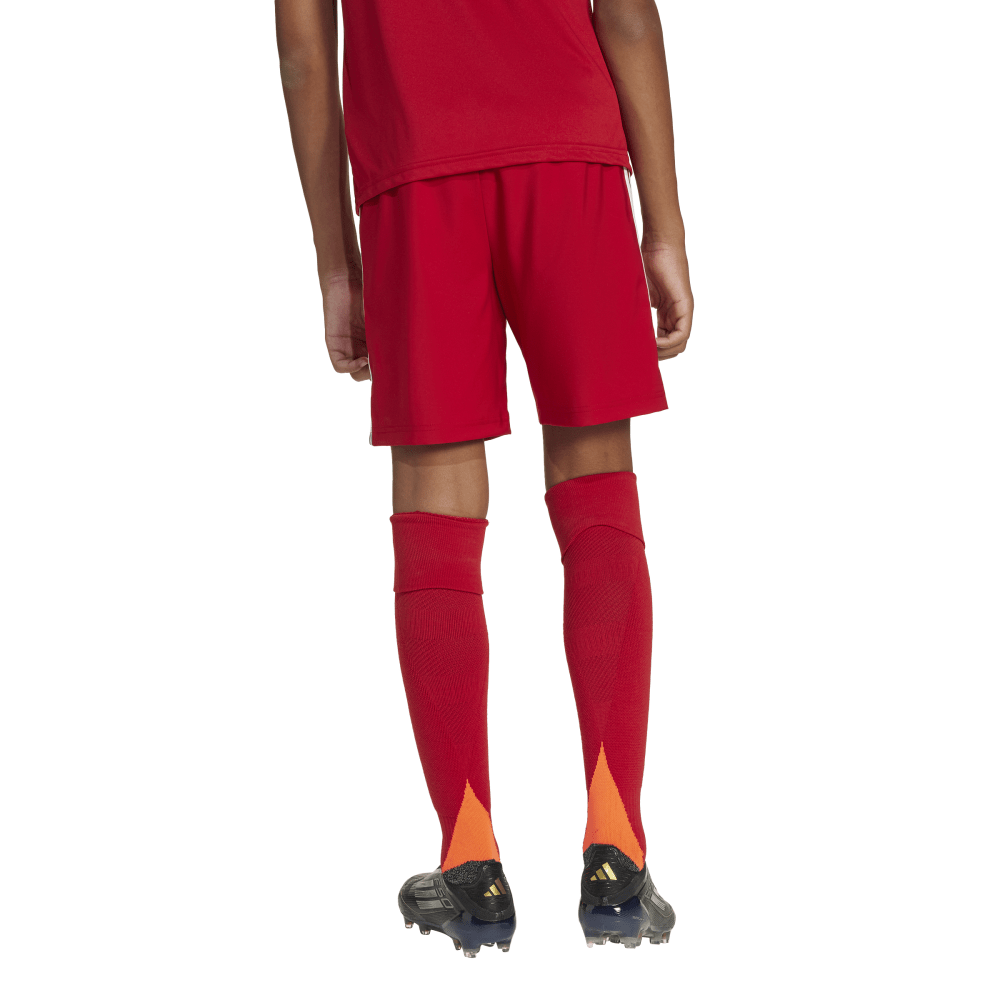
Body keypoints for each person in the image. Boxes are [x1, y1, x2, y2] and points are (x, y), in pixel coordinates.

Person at [275, 0, 693, 956]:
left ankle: (471, 859)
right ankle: (616, 850)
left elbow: (303, 46)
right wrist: (664, 228)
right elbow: (627, 15)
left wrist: (337, 265)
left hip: (415, 170)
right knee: (595, 484)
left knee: (437, 500)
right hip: (569, 150)